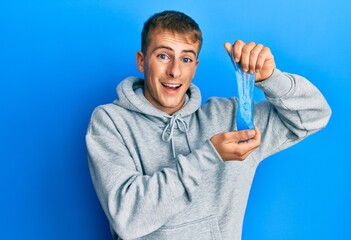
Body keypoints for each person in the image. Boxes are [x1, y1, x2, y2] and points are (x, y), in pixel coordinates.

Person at [86, 10, 331, 240]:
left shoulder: (231, 118)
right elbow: (127, 218)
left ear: (195, 67)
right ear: (142, 61)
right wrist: (210, 155)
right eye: (163, 56)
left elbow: (315, 115)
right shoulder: (110, 121)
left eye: (186, 58)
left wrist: (271, 78)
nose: (174, 71)